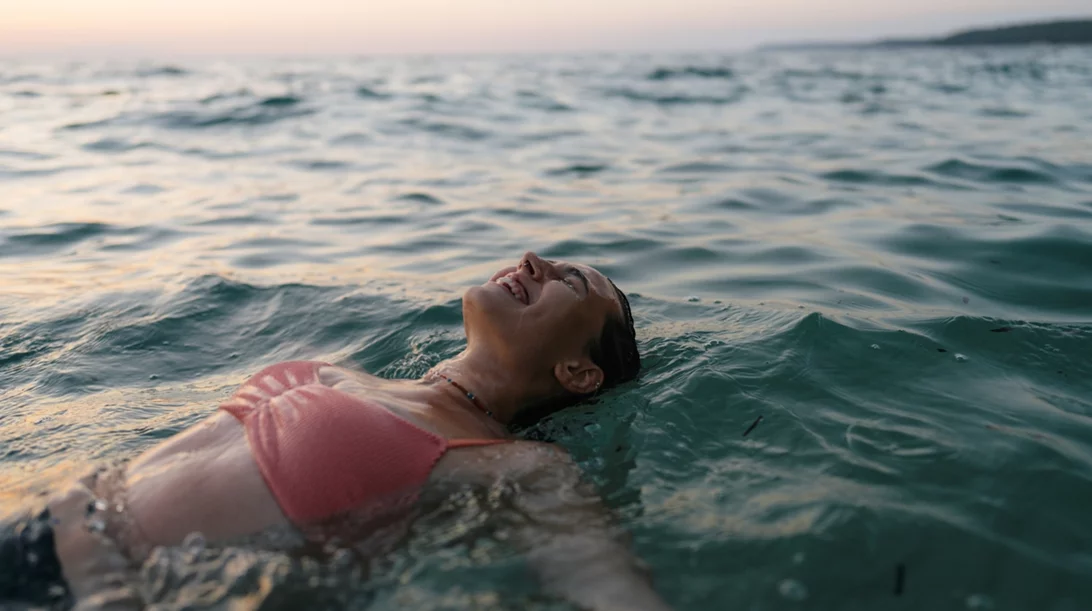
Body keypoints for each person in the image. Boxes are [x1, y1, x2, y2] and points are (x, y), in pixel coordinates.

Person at [0, 252, 671, 611]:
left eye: (568, 281)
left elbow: (611, 592)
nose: (531, 261)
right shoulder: (347, 371)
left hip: (100, 593)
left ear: (579, 372)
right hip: (41, 526)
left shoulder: (515, 464)